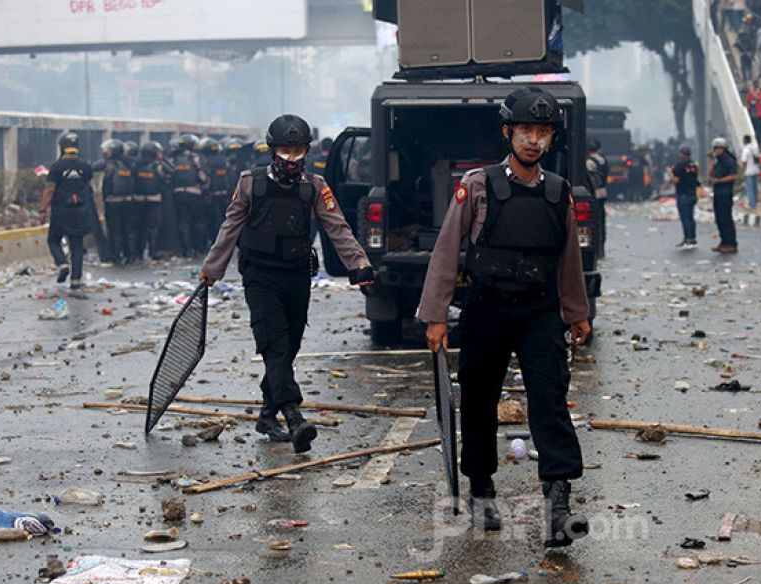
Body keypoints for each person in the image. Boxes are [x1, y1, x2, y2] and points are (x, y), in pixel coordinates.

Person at [417, 87, 592, 548]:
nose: (533, 140)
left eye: (542, 132)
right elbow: (446, 251)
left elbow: (568, 259)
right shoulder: (476, 186)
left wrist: (576, 313)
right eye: (525, 132)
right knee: (477, 401)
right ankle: (481, 488)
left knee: (549, 402)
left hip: (538, 311)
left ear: (551, 138)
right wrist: (436, 315)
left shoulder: (559, 192)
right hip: (487, 308)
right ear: (508, 133)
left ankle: (558, 503)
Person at [199, 115, 374, 453]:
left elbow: (338, 228)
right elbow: (230, 227)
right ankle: (294, 416)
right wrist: (212, 269)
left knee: (289, 347)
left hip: (296, 276)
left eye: (298, 151)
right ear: (272, 150)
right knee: (275, 346)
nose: (292, 158)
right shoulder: (251, 183)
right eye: (285, 151)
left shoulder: (315, 186)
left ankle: (267, 414)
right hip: (260, 278)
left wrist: (360, 264)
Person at [39, 132, 93, 290]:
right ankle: (76, 280)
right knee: (76, 244)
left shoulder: (57, 167)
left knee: (53, 240)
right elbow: (88, 187)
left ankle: (62, 263)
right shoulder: (85, 166)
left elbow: (50, 190)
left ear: (62, 148)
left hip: (61, 212)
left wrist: (42, 210)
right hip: (80, 211)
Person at [96, 139, 136, 265]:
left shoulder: (107, 164)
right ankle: (131, 256)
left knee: (115, 230)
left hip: (112, 202)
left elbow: (91, 168)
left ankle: (116, 256)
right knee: (129, 230)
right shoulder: (131, 163)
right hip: (129, 202)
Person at [168, 134, 208, 257]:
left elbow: (169, 177)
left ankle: (186, 249)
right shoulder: (196, 158)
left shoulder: (173, 159)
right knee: (198, 221)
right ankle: (198, 248)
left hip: (178, 194)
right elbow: (204, 178)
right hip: (195, 194)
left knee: (183, 222)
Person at [132, 142, 170, 261]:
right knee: (153, 227)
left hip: (138, 199)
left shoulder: (135, 164)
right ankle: (152, 252)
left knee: (139, 227)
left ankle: (138, 253)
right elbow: (171, 171)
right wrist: (163, 160)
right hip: (154, 199)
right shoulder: (158, 165)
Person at [199, 137, 233, 245]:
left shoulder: (207, 162)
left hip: (211, 196)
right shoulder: (224, 161)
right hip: (224, 195)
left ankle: (214, 242)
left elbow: (204, 178)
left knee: (211, 220)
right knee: (224, 219)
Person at [709, 137, 739, 254]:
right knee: (719, 219)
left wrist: (720, 181)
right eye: (715, 148)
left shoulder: (728, 160)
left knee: (726, 218)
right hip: (718, 193)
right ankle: (723, 242)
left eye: (719, 148)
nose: (716, 150)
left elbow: (734, 176)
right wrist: (711, 159)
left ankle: (731, 243)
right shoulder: (719, 161)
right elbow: (711, 173)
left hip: (725, 193)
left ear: (724, 149)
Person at [670, 143, 700, 249]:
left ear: (682, 154)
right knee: (691, 217)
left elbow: (676, 180)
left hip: (683, 194)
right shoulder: (694, 165)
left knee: (685, 218)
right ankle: (692, 238)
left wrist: (670, 174)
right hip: (692, 193)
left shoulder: (680, 166)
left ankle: (688, 239)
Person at [585, 138, 609, 257]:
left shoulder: (589, 162)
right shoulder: (602, 160)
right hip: (603, 192)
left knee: (595, 221)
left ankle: (597, 248)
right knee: (601, 220)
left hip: (594, 194)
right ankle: (602, 247)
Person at [740, 134, 760, 209]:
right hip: (755, 170)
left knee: (750, 188)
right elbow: (758, 158)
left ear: (744, 141)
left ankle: (752, 204)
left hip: (748, 171)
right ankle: (755, 202)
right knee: (755, 188)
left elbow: (744, 162)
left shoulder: (745, 150)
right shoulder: (755, 148)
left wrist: (743, 171)